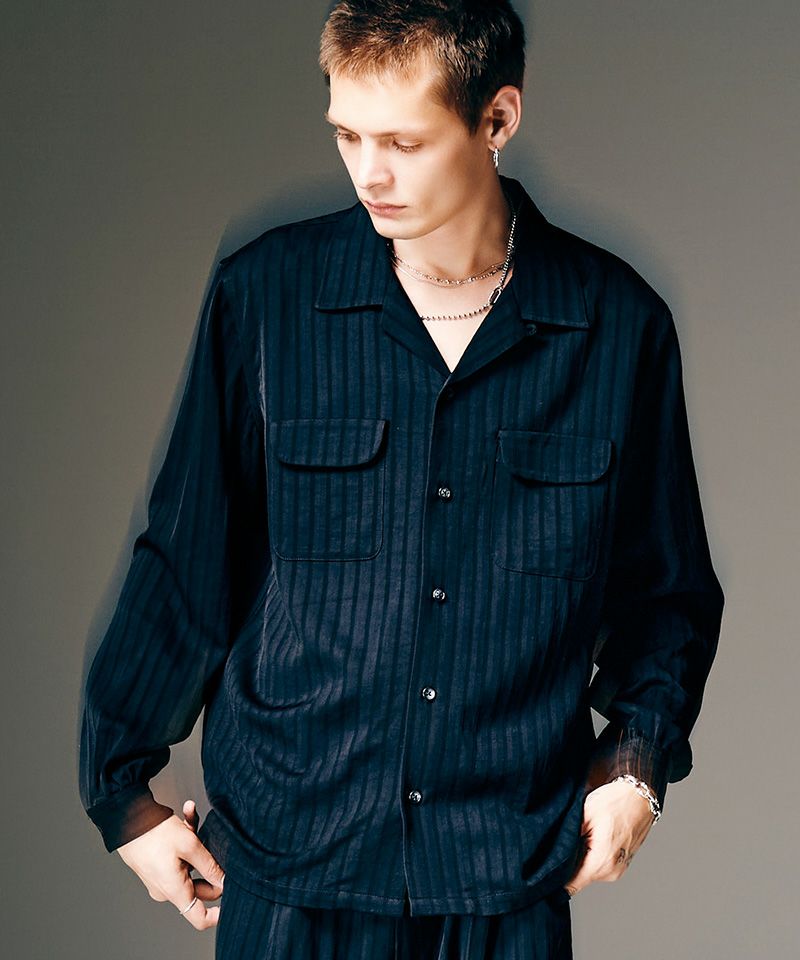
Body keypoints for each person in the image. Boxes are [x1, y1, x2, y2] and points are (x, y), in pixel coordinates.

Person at [78, 2, 725, 957]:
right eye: (347, 135)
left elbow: (668, 595)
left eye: (403, 142)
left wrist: (637, 764)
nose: (368, 173)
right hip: (293, 860)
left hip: (503, 872)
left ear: (497, 119)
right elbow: (186, 560)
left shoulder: (618, 328)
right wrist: (122, 796)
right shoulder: (267, 299)